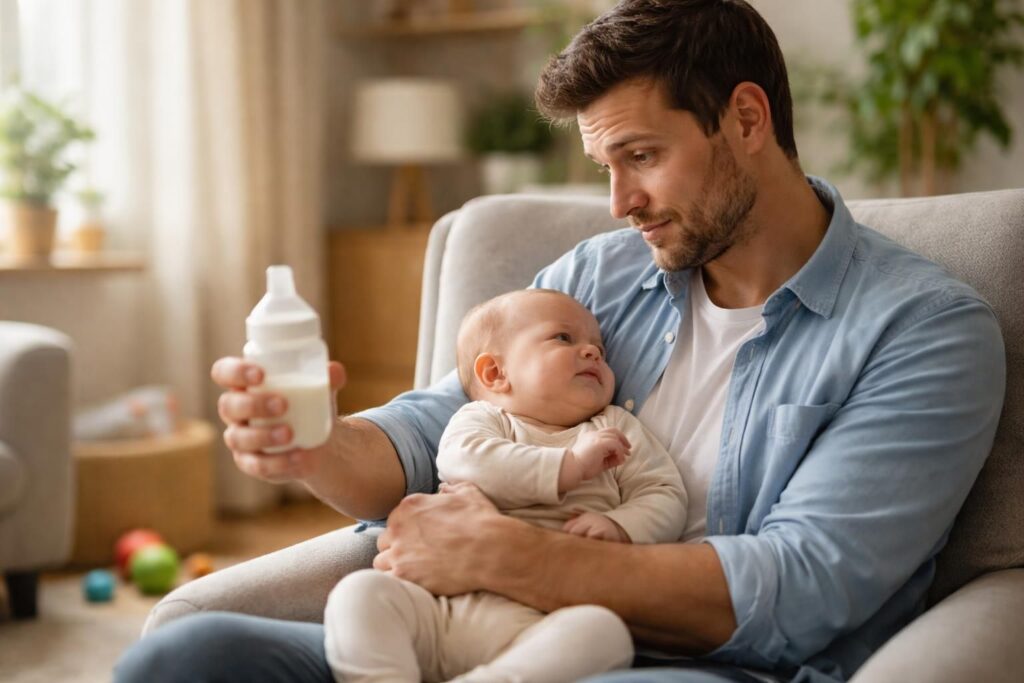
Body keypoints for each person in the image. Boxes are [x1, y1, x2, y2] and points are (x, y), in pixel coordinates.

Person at [114, 1, 1006, 682]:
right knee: (186, 657)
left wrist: (511, 554)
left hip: (703, 666)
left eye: (642, 157)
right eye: (604, 168)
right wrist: (313, 443)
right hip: (481, 629)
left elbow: (805, 586)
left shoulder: (922, 330)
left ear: (745, 118)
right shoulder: (602, 275)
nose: (619, 203)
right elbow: (438, 430)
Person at [324, 288, 687, 682]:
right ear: (495, 374)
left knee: (605, 635)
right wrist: (566, 466)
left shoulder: (614, 426)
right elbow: (467, 461)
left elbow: (664, 493)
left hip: (541, 622)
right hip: (438, 609)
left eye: (599, 347)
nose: (593, 352)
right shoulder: (483, 419)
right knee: (359, 594)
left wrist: (623, 525)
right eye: (564, 338)